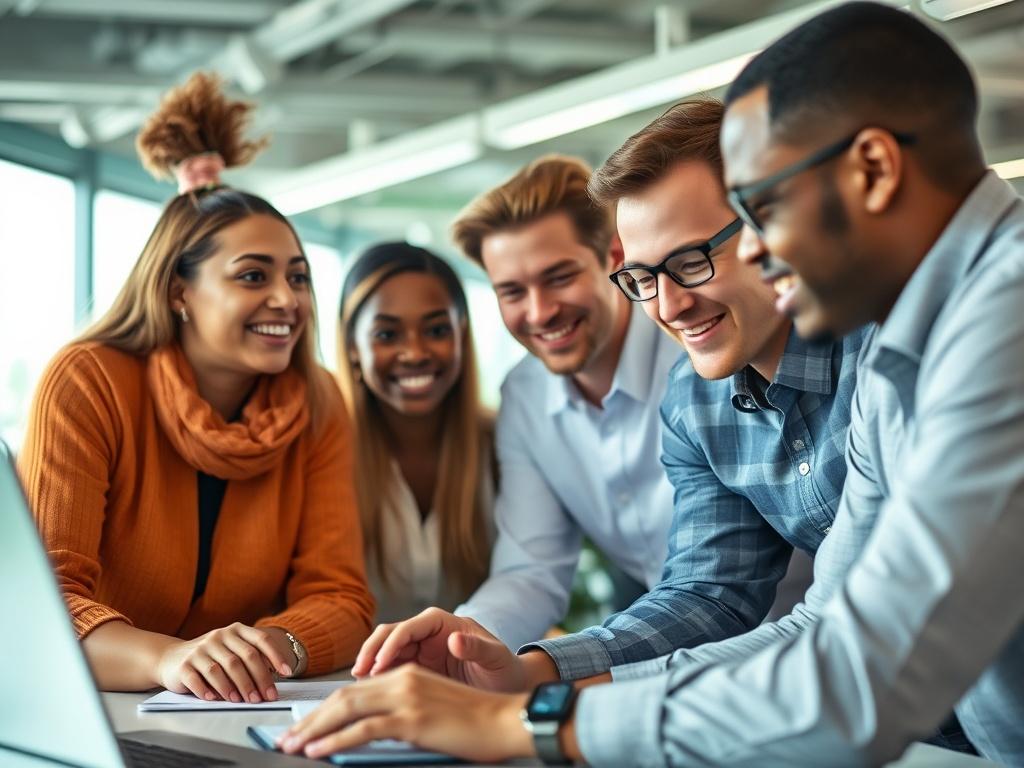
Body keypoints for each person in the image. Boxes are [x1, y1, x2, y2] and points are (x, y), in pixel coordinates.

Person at [283, 4, 1024, 766]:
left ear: (873, 168)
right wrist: (541, 683)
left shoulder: (995, 323)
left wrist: (534, 725)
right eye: (642, 277)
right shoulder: (920, 337)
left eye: (762, 210)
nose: (763, 252)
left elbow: (861, 680)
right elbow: (822, 625)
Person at [351, 101, 863, 693]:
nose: (669, 306)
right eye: (512, 290)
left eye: (692, 262)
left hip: (803, 674)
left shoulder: (862, 353)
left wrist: (571, 699)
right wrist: (499, 660)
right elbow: (705, 592)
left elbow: (844, 623)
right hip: (737, 674)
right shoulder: (694, 394)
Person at [17, 72, 374, 706]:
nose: (286, 300)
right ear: (179, 291)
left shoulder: (317, 399)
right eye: (252, 275)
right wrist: (172, 658)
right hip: (96, 713)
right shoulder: (89, 380)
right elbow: (46, 605)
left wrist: (271, 649)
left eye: (297, 276)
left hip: (236, 712)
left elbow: (341, 598)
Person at [354, 154, 682, 662]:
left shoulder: (689, 352)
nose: (539, 311)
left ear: (613, 256)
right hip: (683, 650)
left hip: (799, 628)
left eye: (558, 277)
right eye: (512, 291)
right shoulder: (525, 395)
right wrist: (462, 637)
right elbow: (533, 567)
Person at [335, 242, 495, 624]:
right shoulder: (324, 454)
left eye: (437, 329)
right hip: (348, 677)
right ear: (353, 346)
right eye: (387, 335)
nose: (415, 353)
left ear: (462, 334)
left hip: (474, 675)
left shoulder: (502, 445)